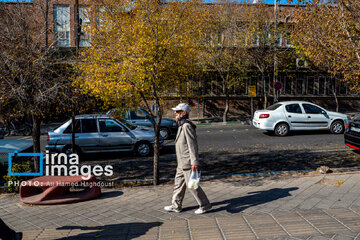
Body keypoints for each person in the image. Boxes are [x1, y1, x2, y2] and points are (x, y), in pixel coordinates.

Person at [164, 103, 211, 215]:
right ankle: (176, 206)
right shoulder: (181, 125)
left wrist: (194, 162)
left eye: (177, 111)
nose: (175, 112)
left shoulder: (186, 126)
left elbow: (192, 145)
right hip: (181, 163)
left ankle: (205, 205)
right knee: (178, 185)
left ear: (183, 113)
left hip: (188, 162)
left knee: (193, 186)